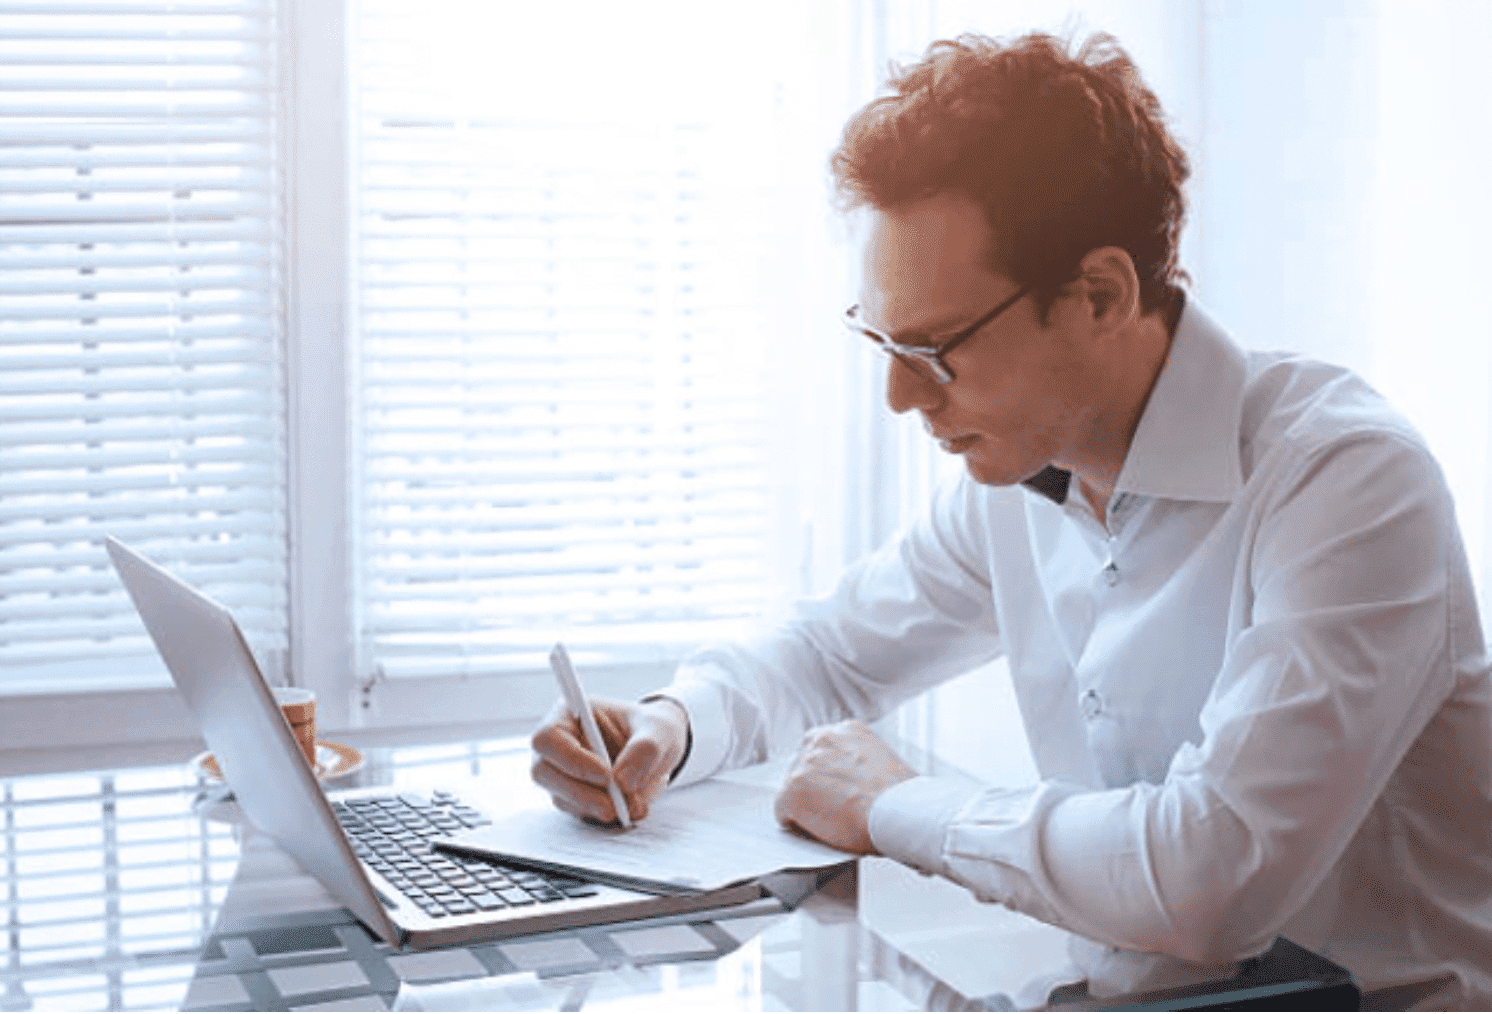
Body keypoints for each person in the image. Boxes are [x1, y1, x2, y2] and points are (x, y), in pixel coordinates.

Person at [530, 30, 1492, 1007]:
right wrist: (671, 724)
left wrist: (893, 806)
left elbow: (1214, 877)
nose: (902, 399)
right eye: (882, 342)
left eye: (936, 349)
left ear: (1101, 294)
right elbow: (828, 653)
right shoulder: (1021, 482)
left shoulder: (1346, 480)